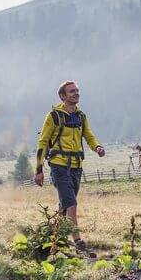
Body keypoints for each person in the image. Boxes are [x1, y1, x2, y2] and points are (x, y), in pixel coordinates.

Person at [34, 80, 105, 252]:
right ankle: (78, 241)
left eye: (77, 90)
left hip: (76, 167)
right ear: (62, 96)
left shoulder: (81, 116)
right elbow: (43, 142)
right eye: (72, 91)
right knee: (71, 203)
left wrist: (97, 147)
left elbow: (88, 135)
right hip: (58, 166)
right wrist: (39, 170)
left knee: (65, 207)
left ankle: (52, 240)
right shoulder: (53, 116)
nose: (76, 93)